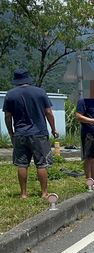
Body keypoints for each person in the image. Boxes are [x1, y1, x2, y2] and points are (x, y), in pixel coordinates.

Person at [2, 69, 59, 199]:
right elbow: (49, 112)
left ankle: (23, 194)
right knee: (41, 163)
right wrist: (53, 129)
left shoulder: (10, 95)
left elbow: (7, 117)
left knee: (22, 164)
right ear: (28, 79)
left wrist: (11, 133)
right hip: (39, 133)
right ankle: (44, 193)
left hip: (20, 133)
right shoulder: (40, 92)